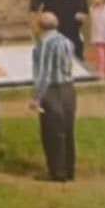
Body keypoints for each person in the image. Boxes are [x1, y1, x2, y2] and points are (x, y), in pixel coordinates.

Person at [30, 11, 77, 182]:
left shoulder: (44, 44)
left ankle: (56, 171)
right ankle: (69, 169)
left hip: (52, 90)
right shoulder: (67, 41)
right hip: (68, 88)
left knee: (52, 131)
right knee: (67, 130)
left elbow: (45, 73)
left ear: (40, 26)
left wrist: (36, 97)